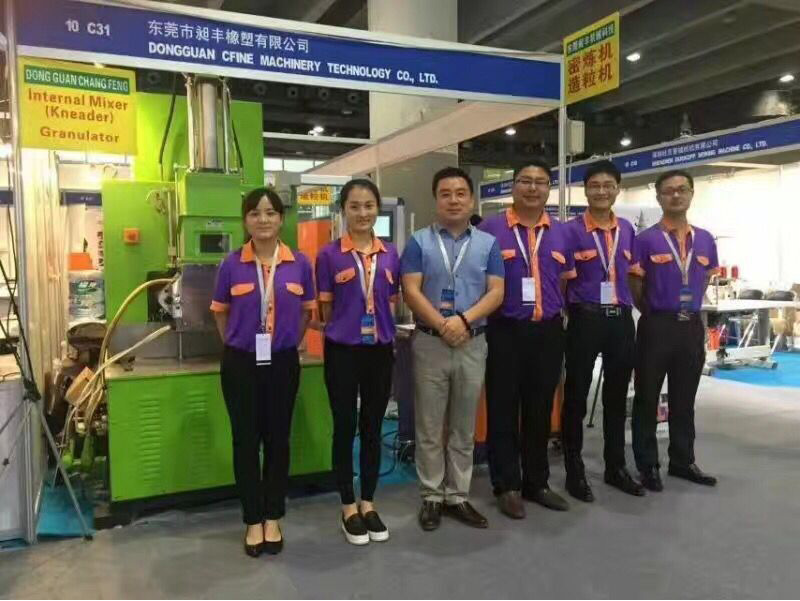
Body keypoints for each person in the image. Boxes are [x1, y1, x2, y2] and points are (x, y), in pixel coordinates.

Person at [210, 187, 316, 557]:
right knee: (244, 441)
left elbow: (306, 313)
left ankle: (273, 516)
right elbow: (220, 313)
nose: (263, 219)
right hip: (241, 362)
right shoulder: (231, 265)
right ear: (245, 221)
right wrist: (238, 344)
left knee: (278, 441)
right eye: (255, 213)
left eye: (270, 212)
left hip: (282, 361)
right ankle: (252, 519)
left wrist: (283, 344)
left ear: (281, 219)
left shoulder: (299, 263)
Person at [401, 166, 504, 531]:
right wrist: (444, 324)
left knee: (463, 426)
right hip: (431, 342)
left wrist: (463, 321)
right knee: (429, 425)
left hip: (472, 342)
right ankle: (431, 495)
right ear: (436, 200)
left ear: (471, 199)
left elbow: (496, 291)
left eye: (461, 193)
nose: (454, 200)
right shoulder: (418, 242)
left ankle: (457, 495)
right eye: (445, 194)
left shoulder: (488, 244)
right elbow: (411, 290)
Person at [479, 159, 576, 519]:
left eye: (540, 182)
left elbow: (563, 281)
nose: (532, 188)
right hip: (504, 330)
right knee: (503, 408)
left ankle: (537, 482)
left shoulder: (561, 233)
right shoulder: (490, 229)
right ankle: (507, 485)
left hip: (548, 331)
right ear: (513, 186)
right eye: (525, 181)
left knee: (540, 408)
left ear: (549, 189)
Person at [315, 179, 400, 546]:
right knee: (344, 424)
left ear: (377, 208)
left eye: (369, 206)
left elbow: (390, 302)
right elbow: (327, 310)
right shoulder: (329, 255)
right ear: (343, 210)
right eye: (354, 206)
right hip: (343, 351)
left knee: (372, 427)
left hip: (379, 350)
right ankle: (347, 505)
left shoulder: (391, 254)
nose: (362, 213)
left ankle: (368, 502)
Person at [628, 169, 720, 491]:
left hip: (691, 326)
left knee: (684, 398)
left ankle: (682, 460)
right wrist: (655, 312)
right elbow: (635, 286)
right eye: (669, 191)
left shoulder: (706, 239)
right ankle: (647, 465)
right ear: (659, 197)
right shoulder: (645, 240)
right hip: (657, 325)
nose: (676, 195)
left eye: (682, 189)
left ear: (692, 193)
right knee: (647, 398)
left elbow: (704, 279)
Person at [561, 160, 644, 503]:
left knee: (615, 397)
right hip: (585, 318)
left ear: (617, 190)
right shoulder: (569, 231)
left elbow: (634, 275)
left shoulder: (627, 229)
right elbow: (562, 282)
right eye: (594, 185)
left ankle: (615, 467)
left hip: (620, 319)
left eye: (608, 185)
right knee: (576, 396)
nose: (601, 191)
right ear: (585, 190)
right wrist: (570, 314)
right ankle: (574, 470)